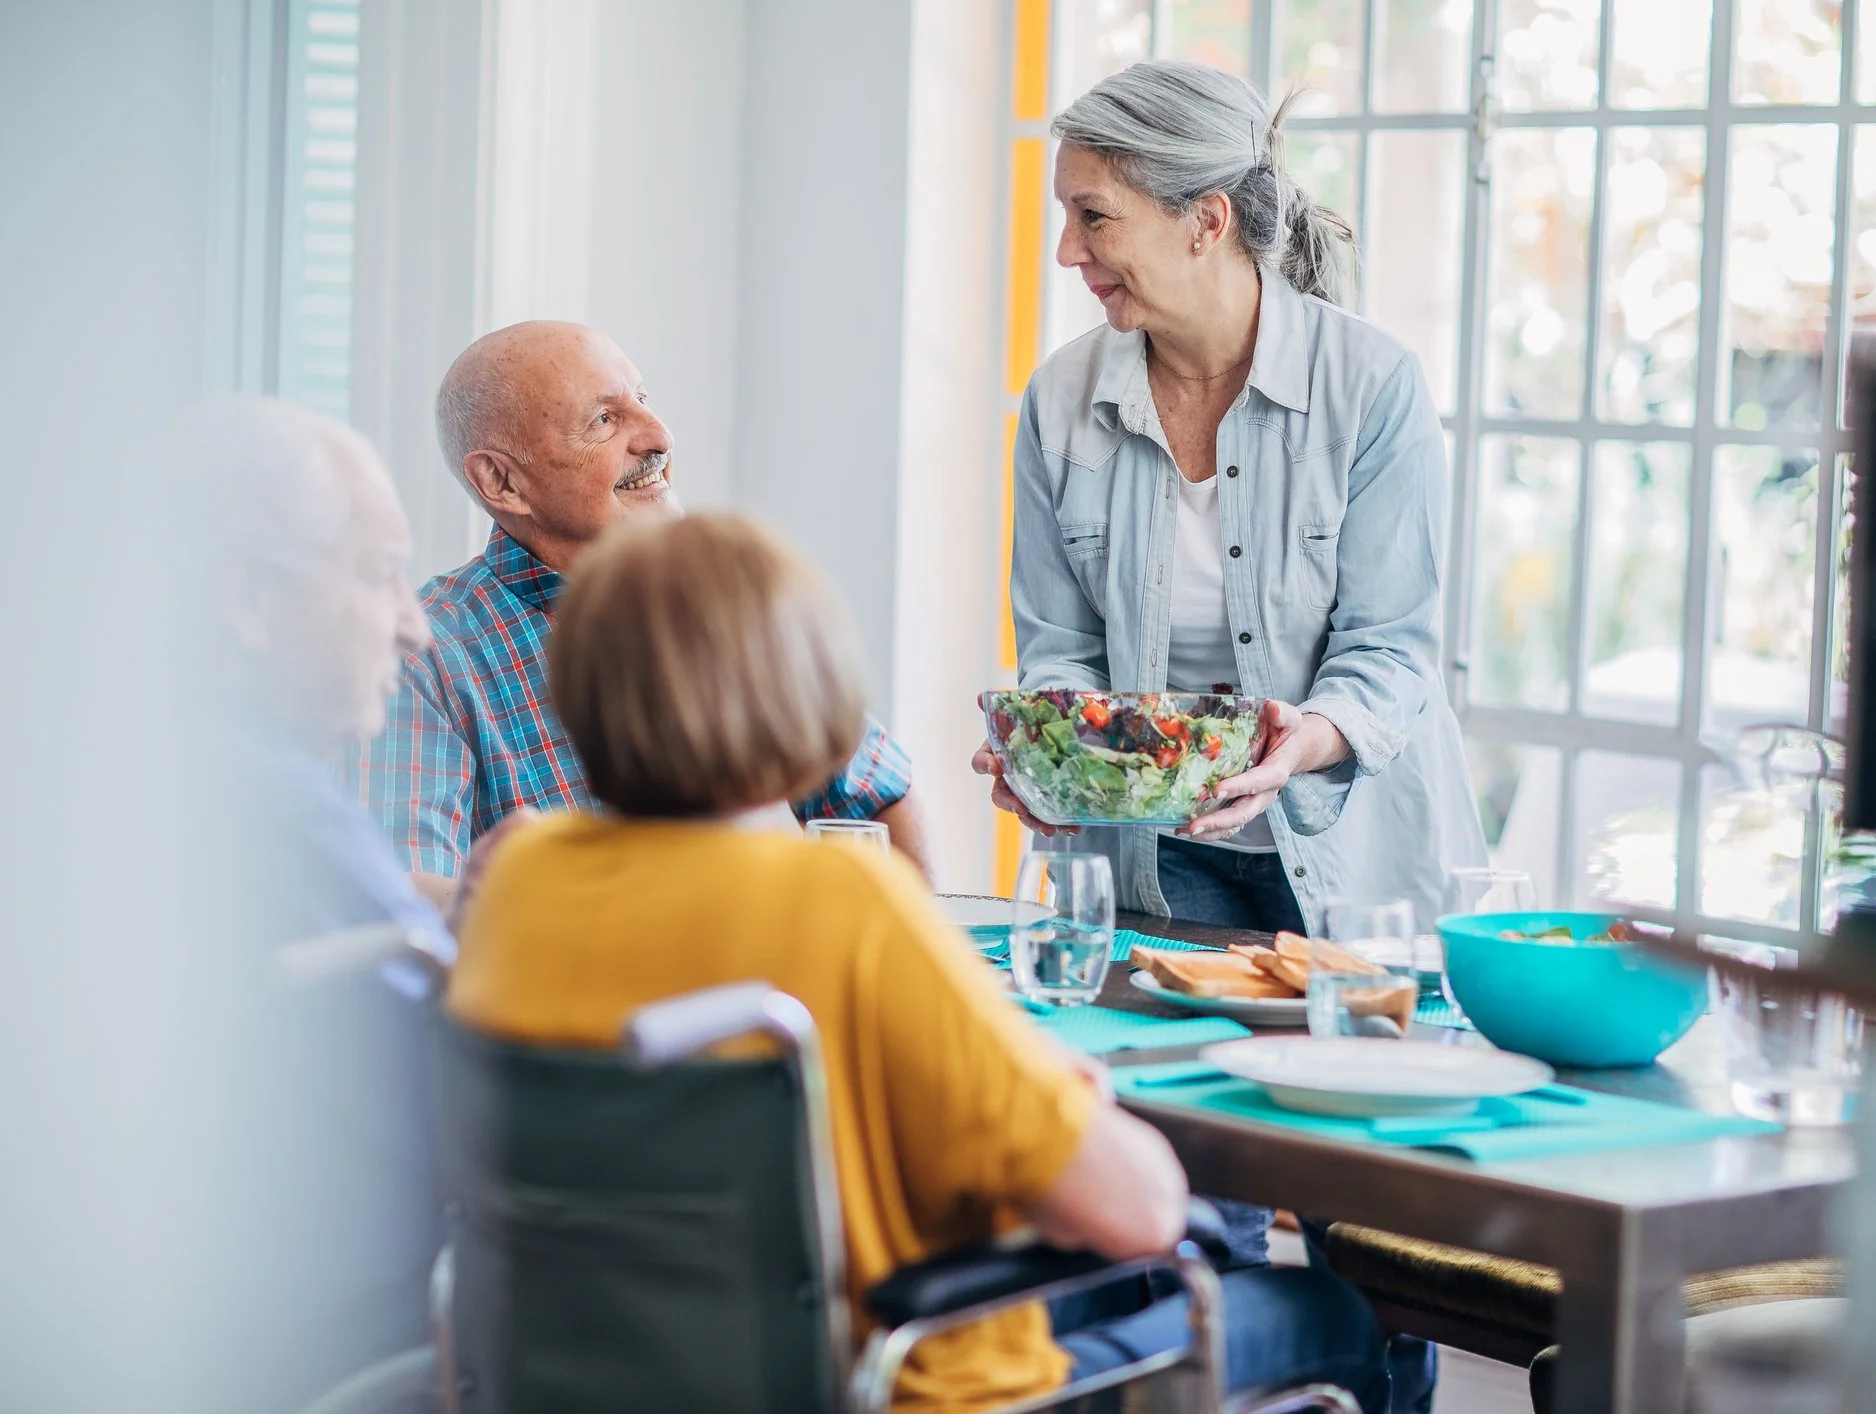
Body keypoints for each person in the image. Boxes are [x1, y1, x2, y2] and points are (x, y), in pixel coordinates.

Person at [449, 511, 1389, 1412]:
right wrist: (1053, 1096)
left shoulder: (518, 883)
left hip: (617, 1379)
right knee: (1324, 1313)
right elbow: (1139, 1212)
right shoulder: (837, 901)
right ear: (808, 694)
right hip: (887, 1383)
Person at [969, 60, 1489, 1407]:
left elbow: (1389, 650)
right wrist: (1047, 752)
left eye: (1097, 218)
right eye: (1069, 218)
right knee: (1180, 1201)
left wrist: (1298, 742)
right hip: (1162, 858)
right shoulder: (1062, 398)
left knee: (1364, 1234)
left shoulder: (1368, 386)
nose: (1072, 253)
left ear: (1206, 219)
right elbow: (1062, 648)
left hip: (1352, 857)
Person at [359, 321, 931, 912]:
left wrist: (900, 957)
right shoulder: (419, 655)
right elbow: (402, 903)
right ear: (501, 481)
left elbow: (874, 795)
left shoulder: (723, 599)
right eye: (604, 420)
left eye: (643, 401)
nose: (658, 436)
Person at [190, 396, 505, 1409]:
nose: (416, 629)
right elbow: (471, 1105)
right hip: (383, 1332)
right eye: (378, 577)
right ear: (248, 598)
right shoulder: (282, 813)